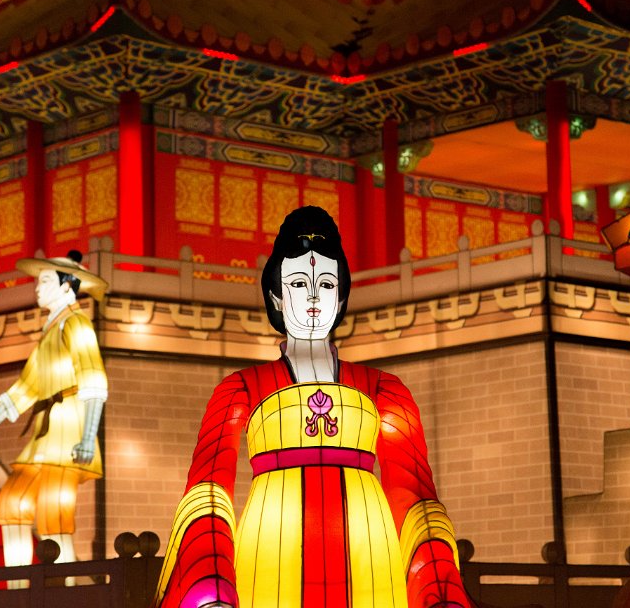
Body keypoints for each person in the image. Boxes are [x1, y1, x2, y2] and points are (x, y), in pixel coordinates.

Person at [155, 207, 470, 608]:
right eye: (299, 283)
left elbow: (416, 499)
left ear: (341, 296)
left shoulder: (386, 390)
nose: (314, 297)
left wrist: (438, 586)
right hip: (270, 557)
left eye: (326, 283)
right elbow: (208, 491)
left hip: (371, 559)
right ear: (276, 295)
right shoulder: (240, 389)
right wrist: (210, 580)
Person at [0, 250, 108, 581]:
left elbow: (94, 380)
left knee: (55, 510)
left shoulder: (77, 324)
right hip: (43, 434)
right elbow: (24, 389)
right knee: (13, 501)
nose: (37, 288)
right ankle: (18, 587)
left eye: (45, 281)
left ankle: (66, 590)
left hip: (68, 431)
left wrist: (87, 438)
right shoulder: (49, 330)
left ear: (67, 286)